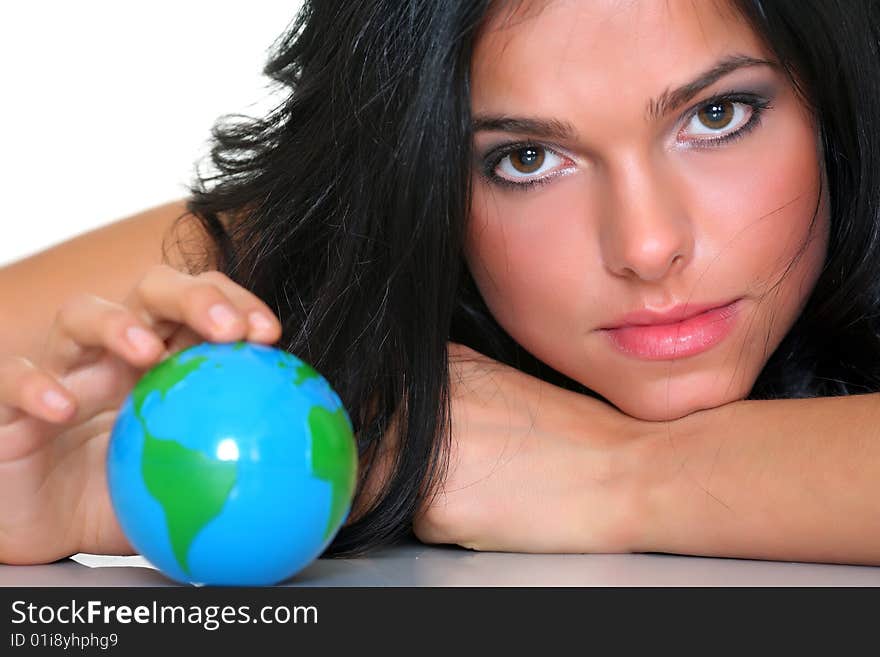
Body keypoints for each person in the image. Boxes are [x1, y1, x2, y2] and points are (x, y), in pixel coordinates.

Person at [1, 0, 879, 567]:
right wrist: (78, 483)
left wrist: (613, 473)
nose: (647, 246)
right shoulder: (350, 244)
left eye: (717, 115)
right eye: (528, 159)